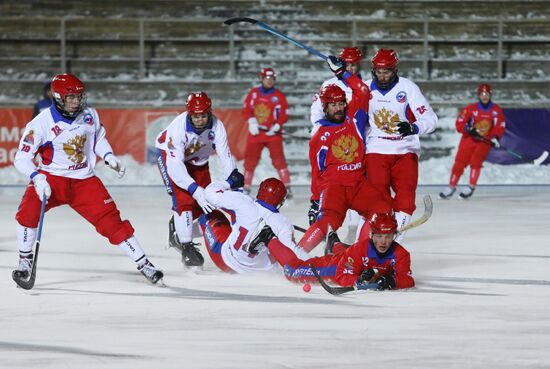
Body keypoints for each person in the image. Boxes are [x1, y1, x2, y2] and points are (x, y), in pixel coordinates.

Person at [12, 73, 163, 285]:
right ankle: (25, 260)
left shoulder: (89, 114)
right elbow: (21, 158)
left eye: (79, 96)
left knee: (112, 222)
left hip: (84, 180)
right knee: (28, 212)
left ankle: (144, 263)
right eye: (70, 97)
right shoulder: (40, 124)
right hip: (51, 179)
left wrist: (109, 156)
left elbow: (98, 137)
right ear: (57, 97)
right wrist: (37, 178)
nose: (76, 102)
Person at [299, 57, 392, 253]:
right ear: (325, 108)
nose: (339, 108)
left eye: (341, 103)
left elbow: (363, 91)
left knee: (382, 211)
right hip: (334, 187)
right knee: (327, 222)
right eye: (333, 105)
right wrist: (315, 200)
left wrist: (343, 73)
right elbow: (317, 171)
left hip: (358, 185)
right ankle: (297, 255)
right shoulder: (320, 135)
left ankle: (363, 252)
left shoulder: (354, 118)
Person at [362, 49, 438, 242]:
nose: (382, 76)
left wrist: (414, 127)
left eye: (386, 71)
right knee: (378, 200)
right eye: (378, 72)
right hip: (377, 149)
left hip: (405, 150)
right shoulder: (364, 88)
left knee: (405, 199)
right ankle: (377, 241)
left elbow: (430, 119)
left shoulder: (408, 88)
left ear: (395, 70)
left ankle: (394, 244)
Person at [155, 91, 237, 267]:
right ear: (189, 114)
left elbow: (225, 156)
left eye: (204, 115)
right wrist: (194, 189)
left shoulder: (217, 126)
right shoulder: (177, 129)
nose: (200, 120)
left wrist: (234, 185)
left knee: (204, 205)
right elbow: (175, 167)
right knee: (183, 198)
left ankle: (176, 232)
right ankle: (186, 247)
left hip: (198, 160)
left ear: (209, 112)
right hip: (169, 157)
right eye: (196, 116)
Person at [267, 212, 414, 290]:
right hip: (334, 267)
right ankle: (267, 237)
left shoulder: (401, 254)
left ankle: (334, 241)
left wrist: (391, 281)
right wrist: (359, 279)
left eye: (388, 236)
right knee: (294, 272)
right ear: (372, 235)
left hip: (347, 257)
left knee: (346, 253)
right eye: (379, 236)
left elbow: (408, 279)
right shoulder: (360, 249)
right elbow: (342, 276)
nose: (383, 241)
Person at [309, 47, 364, 242]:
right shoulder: (329, 84)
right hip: (335, 139)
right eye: (346, 64)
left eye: (353, 64)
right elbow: (317, 110)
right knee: (333, 179)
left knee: (357, 181)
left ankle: (354, 228)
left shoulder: (362, 84)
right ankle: (325, 214)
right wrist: (319, 129)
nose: (350, 67)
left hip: (358, 138)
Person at [198, 176, 309, 273]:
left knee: (209, 214)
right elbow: (293, 252)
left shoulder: (243, 202)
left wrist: (230, 181)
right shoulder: (284, 223)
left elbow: (209, 194)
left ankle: (185, 242)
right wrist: (312, 263)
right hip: (261, 272)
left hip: (228, 262)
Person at [440, 84, 505, 199]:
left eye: (487, 94)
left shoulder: (496, 110)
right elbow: (459, 123)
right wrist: (468, 128)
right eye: (482, 94)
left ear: (490, 95)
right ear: (479, 95)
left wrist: (495, 137)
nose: (484, 97)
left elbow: (499, 126)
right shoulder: (471, 108)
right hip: (468, 139)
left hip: (484, 140)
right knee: (459, 162)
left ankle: (471, 186)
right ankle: (451, 186)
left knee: (476, 161)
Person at [242, 68, 292, 197]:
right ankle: (246, 187)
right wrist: (252, 121)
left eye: (272, 79)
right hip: (256, 133)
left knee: (279, 159)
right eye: (267, 78)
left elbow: (284, 113)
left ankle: (287, 187)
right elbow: (246, 109)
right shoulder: (253, 93)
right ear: (262, 78)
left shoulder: (279, 96)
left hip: (272, 134)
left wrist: (277, 125)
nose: (269, 81)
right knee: (250, 160)